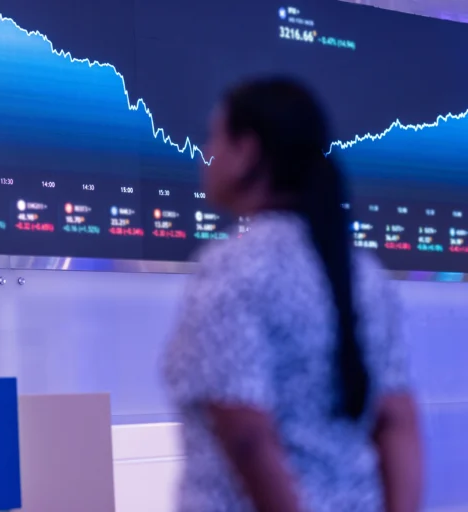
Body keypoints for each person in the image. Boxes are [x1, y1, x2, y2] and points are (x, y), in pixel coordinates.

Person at [162, 77, 422, 512]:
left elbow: (246, 434)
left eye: (215, 137)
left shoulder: (232, 269)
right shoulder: (364, 274)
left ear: (246, 151)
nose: (207, 152)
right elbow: (397, 420)